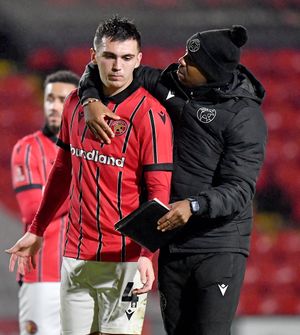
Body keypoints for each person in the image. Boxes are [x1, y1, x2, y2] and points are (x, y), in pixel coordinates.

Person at [78, 25, 268, 335]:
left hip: (218, 246)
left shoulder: (244, 117)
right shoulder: (168, 82)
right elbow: (103, 68)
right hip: (172, 242)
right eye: (184, 53)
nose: (180, 61)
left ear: (211, 71)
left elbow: (240, 189)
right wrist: (89, 100)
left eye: (191, 60)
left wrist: (194, 206)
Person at [6, 16, 173, 335]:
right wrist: (37, 229)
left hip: (125, 260)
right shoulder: (74, 104)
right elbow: (61, 170)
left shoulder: (152, 116)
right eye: (109, 56)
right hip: (76, 258)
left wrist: (146, 254)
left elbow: (158, 193)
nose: (117, 66)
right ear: (93, 56)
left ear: (138, 60)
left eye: (126, 58)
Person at [10, 70, 79, 335]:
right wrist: (89, 189)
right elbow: (33, 211)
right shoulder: (28, 148)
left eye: (63, 99)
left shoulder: (92, 150)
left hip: (88, 274)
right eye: (49, 98)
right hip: (43, 277)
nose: (53, 106)